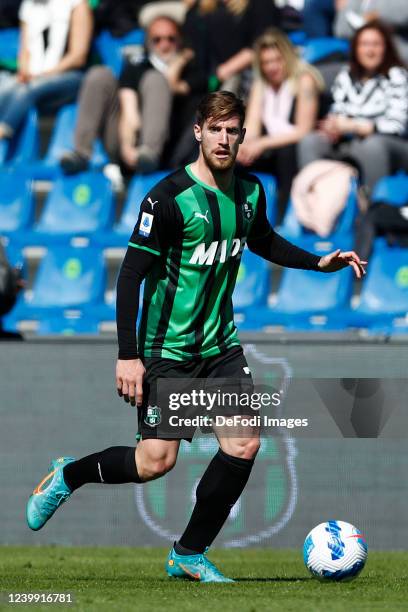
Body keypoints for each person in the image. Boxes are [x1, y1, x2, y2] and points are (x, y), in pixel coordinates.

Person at [26, 91, 366, 583]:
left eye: (233, 131)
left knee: (244, 443)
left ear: (243, 135)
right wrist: (129, 357)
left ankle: (188, 553)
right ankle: (69, 475)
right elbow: (129, 277)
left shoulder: (250, 192)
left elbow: (263, 238)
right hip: (167, 352)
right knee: (154, 462)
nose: (224, 139)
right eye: (216, 129)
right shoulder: (166, 199)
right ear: (198, 132)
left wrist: (318, 261)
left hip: (220, 347)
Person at [60, 15, 206, 174]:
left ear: (180, 41)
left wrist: (179, 61)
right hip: (126, 139)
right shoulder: (137, 67)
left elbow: (170, 85)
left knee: (155, 80)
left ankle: (150, 152)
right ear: (148, 43)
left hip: (168, 148)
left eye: (170, 39)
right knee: (99, 75)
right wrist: (127, 146)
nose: (164, 45)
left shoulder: (193, 71)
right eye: (157, 39)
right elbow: (129, 113)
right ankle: (81, 153)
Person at [298, 20, 408, 194]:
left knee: (373, 146)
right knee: (312, 141)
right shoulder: (346, 75)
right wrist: (332, 127)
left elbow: (396, 126)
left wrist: (354, 126)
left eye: (376, 44)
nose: (370, 50)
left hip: (389, 145)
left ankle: (372, 207)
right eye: (364, 44)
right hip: (349, 141)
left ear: (386, 48)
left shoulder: (397, 76)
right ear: (356, 48)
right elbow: (338, 111)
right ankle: (315, 199)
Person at [237, 29, 324, 223]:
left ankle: (281, 220)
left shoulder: (305, 80)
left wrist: (262, 144)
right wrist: (245, 146)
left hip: (295, 146)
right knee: (234, 156)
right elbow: (251, 127)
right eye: (266, 62)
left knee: (287, 154)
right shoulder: (261, 85)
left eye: (277, 60)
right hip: (270, 145)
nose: (272, 67)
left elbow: (304, 130)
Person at [0, 0, 93, 142]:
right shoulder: (29, 5)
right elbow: (25, 49)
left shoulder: (77, 5)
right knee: (5, 84)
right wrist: (24, 71)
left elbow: (78, 56)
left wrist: (45, 75)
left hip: (69, 77)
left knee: (28, 89)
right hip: (34, 77)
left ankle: (3, 130)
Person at [183, 0, 280, 94]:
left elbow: (262, 41)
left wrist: (226, 70)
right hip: (206, 80)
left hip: (244, 78)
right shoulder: (202, 6)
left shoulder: (259, 3)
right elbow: (190, 43)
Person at [334, 0, 408, 64]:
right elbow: (341, 29)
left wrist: (377, 16)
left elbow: (403, 15)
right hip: (361, 65)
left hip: (397, 59)